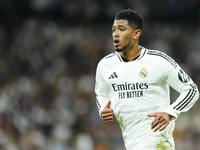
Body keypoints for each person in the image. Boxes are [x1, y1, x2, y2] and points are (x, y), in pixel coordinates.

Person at [94, 9, 199, 150]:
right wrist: (102, 108)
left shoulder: (158, 61)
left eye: (122, 29)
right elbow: (101, 94)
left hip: (157, 140)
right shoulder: (105, 65)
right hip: (131, 142)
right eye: (113, 30)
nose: (115, 34)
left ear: (136, 33)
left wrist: (170, 112)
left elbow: (191, 90)